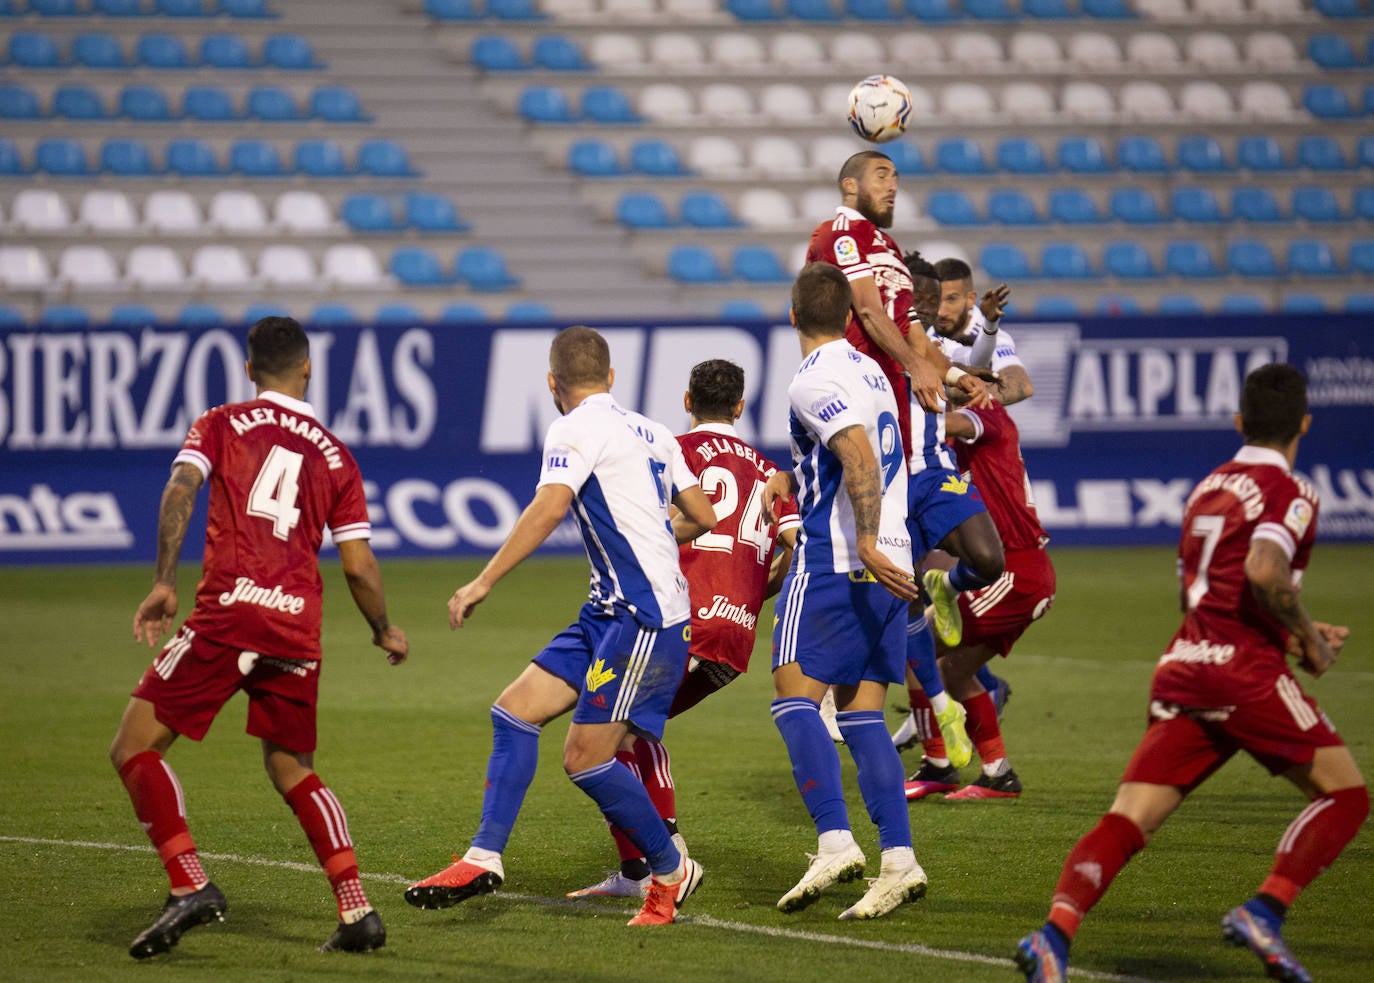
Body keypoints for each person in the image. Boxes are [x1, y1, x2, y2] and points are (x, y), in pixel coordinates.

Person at [1017, 364, 1367, 983]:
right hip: (1244, 674)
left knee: (1129, 819)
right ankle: (1266, 909)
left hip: (1186, 666)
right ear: (1305, 425)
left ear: (1239, 421)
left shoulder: (1210, 487)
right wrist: (1308, 639)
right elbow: (1262, 570)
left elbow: (1218, 590)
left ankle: (1054, 935)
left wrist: (1291, 631)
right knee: (1346, 795)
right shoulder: (1293, 493)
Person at [111, 316, 410, 959]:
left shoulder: (219, 423)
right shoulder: (336, 453)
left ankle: (189, 883)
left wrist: (165, 581)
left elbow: (180, 490)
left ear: (249, 370)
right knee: (291, 766)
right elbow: (358, 564)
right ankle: (356, 909)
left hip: (230, 616)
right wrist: (383, 627)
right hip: (295, 627)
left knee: (134, 749)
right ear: (307, 369)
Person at [405, 326, 719, 926]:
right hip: (608, 613)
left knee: (586, 759)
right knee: (514, 711)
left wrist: (482, 582)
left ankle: (671, 869)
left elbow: (548, 507)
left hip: (642, 619)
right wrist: (650, 534)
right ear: (612, 376)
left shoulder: (572, 427)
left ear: (553, 383)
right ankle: (484, 856)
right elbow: (702, 515)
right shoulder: (653, 431)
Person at [569, 359, 799, 899]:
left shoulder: (672, 450)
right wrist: (752, 592)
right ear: (740, 407)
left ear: (688, 399)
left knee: (607, 733)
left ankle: (664, 858)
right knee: (629, 729)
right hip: (735, 636)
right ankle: (636, 872)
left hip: (680, 622)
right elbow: (795, 543)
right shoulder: (770, 470)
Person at [806, 154, 996, 760]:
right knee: (868, 571)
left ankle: (908, 711)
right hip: (855, 403)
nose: (893, 185)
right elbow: (863, 310)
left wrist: (954, 372)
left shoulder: (889, 248)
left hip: (901, 433)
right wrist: (916, 366)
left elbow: (913, 333)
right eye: (881, 176)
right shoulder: (841, 233)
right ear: (850, 184)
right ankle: (841, 688)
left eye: (896, 177)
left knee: (905, 582)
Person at [760, 262, 926, 921]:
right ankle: (899, 859)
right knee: (861, 716)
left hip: (840, 559)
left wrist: (859, 540)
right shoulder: (871, 369)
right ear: (851, 318)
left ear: (793, 314)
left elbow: (857, 454)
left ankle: (834, 841)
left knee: (792, 694)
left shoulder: (815, 378)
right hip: (896, 560)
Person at [902, 397, 1055, 801]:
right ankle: (998, 773)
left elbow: (940, 424)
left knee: (913, 648)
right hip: (1021, 574)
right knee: (952, 668)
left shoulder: (984, 417)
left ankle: (937, 762)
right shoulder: (950, 455)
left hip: (1014, 573)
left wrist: (914, 395)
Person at [930, 257, 1032, 408]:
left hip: (964, 428)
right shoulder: (924, 323)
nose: (941, 311)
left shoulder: (996, 338)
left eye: (951, 299)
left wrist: (965, 401)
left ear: (970, 299)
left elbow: (1022, 386)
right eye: (936, 299)